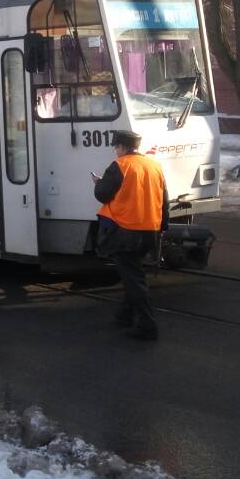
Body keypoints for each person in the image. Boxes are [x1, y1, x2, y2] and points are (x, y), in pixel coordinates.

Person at [93, 129, 168, 341]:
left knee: (134, 279)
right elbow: (165, 200)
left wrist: (98, 183)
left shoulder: (121, 166)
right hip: (149, 229)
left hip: (125, 230)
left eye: (116, 146)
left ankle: (147, 325)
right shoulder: (155, 166)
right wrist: (163, 227)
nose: (115, 151)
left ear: (123, 147)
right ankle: (124, 315)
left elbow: (102, 194)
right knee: (133, 274)